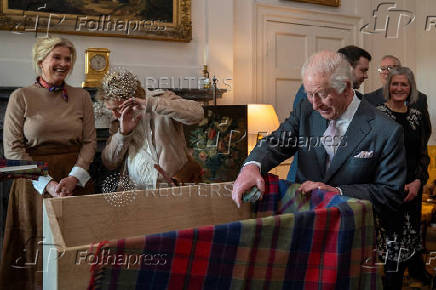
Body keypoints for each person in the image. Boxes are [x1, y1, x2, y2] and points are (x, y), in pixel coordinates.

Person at [232, 52, 407, 273]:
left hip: (349, 241)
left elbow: (391, 194)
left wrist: (337, 191)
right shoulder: (306, 110)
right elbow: (276, 142)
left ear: (345, 86)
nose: (315, 105)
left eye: (322, 95)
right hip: (301, 230)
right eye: (309, 95)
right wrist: (251, 166)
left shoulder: (386, 130)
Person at [0, 37, 96, 289]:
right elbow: (12, 149)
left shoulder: (82, 96)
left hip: (76, 181)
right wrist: (48, 183)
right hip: (34, 183)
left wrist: (74, 177)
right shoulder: (20, 97)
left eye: (68, 58)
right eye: (57, 57)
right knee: (38, 249)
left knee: (77, 250)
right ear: (41, 61)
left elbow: (89, 142)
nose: (63, 63)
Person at [99, 69, 204, 189]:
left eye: (118, 108)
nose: (115, 115)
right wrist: (123, 134)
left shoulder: (161, 99)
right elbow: (109, 163)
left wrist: (151, 104)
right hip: (135, 193)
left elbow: (198, 113)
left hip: (172, 185)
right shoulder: (117, 121)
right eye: (110, 109)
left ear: (132, 98)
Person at [375, 66, 432, 288]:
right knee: (392, 247)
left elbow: (422, 155)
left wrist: (418, 182)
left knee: (410, 241)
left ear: (411, 88)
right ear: (388, 87)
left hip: (413, 191)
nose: (399, 88)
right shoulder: (377, 114)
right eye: (395, 84)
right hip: (387, 190)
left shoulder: (417, 116)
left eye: (404, 84)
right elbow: (373, 157)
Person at [287, 45, 372, 182]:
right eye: (363, 70)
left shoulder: (365, 106)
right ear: (346, 68)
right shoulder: (311, 94)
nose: (365, 75)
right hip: (304, 182)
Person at [364, 55, 431, 141]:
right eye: (382, 69)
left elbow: (425, 131)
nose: (385, 72)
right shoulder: (370, 99)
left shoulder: (420, 98)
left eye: (389, 68)